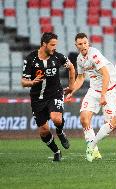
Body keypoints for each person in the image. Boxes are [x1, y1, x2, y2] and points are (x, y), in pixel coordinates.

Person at [21, 32, 75, 161]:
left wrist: (71, 87)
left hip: (55, 93)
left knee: (56, 119)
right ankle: (56, 151)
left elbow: (71, 68)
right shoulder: (30, 59)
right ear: (44, 44)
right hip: (37, 98)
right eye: (52, 45)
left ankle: (60, 132)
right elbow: (23, 81)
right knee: (44, 130)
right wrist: (32, 82)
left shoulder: (58, 57)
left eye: (55, 45)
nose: (54, 47)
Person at [65, 33, 116, 162]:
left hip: (108, 91)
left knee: (112, 124)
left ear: (88, 43)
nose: (83, 46)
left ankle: (93, 144)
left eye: (85, 43)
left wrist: (103, 95)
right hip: (93, 90)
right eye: (80, 44)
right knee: (84, 118)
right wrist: (72, 90)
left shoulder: (94, 54)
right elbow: (81, 77)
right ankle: (93, 149)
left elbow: (106, 75)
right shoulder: (79, 59)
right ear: (76, 45)